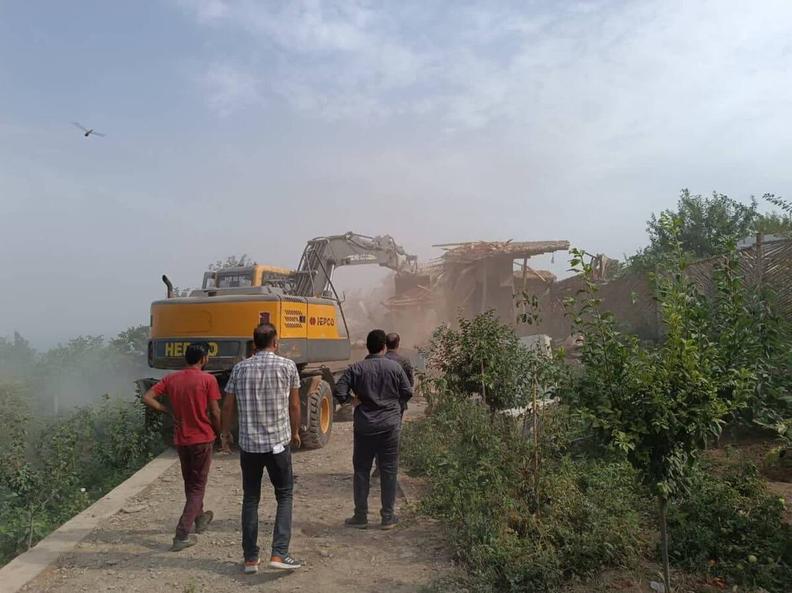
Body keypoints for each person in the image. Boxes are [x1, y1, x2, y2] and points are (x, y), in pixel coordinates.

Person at [220, 323, 303, 574]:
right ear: (275, 342)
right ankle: (279, 553)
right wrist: (296, 432)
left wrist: (224, 434)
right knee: (285, 495)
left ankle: (250, 559)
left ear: (253, 344)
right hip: (278, 444)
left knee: (251, 498)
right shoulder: (288, 367)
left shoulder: (240, 369)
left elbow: (227, 406)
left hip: (249, 446)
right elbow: (295, 406)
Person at [142, 343, 221, 552]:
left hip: (182, 440)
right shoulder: (208, 380)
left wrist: (165, 409)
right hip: (202, 439)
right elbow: (214, 411)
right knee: (198, 485)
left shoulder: (171, 379)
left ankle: (200, 517)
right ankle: (182, 534)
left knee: (190, 483)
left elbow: (147, 397)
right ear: (203, 359)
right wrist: (221, 434)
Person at [335, 329, 412, 530]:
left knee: (361, 470)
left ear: (367, 347)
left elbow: (339, 391)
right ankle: (388, 516)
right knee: (388, 470)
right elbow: (407, 391)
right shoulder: (395, 368)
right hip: (389, 427)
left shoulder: (356, 368)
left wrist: (353, 400)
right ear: (384, 347)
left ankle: (360, 516)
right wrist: (394, 405)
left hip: (364, 427)